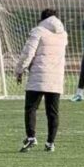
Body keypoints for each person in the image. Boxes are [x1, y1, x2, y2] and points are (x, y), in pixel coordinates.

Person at [15, 9, 67, 152]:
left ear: (42, 19)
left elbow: (28, 53)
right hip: (56, 77)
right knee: (53, 112)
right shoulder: (63, 34)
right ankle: (50, 143)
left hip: (38, 76)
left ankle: (31, 137)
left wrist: (19, 70)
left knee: (31, 108)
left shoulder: (38, 31)